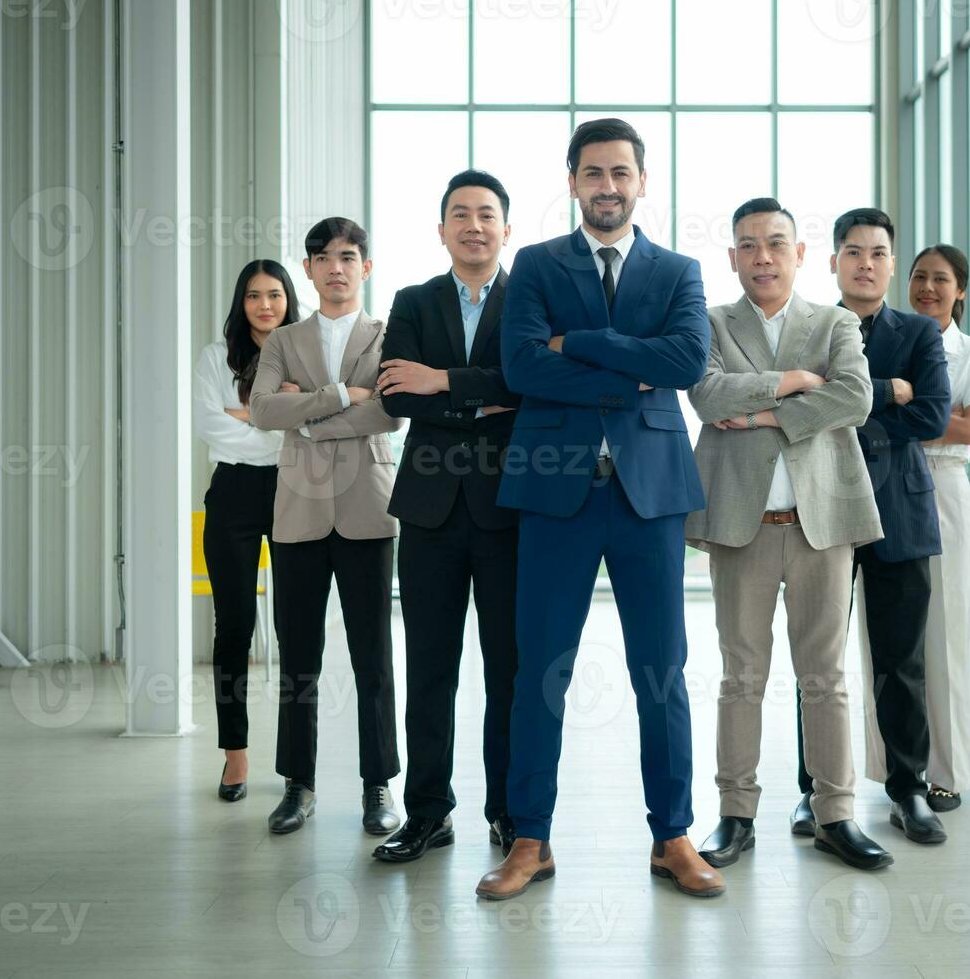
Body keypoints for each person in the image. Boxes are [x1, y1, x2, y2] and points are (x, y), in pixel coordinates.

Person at [474, 118, 722, 901]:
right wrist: (625, 372)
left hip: (649, 494)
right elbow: (519, 367)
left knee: (663, 673)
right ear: (573, 182)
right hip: (556, 491)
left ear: (642, 181)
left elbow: (685, 361)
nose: (607, 186)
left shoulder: (678, 270)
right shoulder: (537, 265)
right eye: (592, 173)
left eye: (621, 172)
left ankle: (673, 835)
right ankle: (530, 840)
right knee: (539, 670)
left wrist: (576, 344)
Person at [686, 198, 891, 871]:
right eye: (749, 245)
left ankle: (836, 814)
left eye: (776, 243)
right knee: (740, 676)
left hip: (822, 525)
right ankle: (736, 814)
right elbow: (709, 396)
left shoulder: (833, 322)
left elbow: (855, 399)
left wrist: (764, 416)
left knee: (825, 677)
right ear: (734, 257)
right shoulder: (712, 322)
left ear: (800, 253)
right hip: (742, 527)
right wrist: (795, 384)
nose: (763, 256)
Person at [371, 170, 523, 864]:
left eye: (486, 214)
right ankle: (428, 812)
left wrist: (441, 382)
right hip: (429, 510)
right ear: (441, 230)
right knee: (431, 667)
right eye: (459, 214)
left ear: (505, 229)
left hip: (509, 510)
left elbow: (530, 385)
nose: (473, 225)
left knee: (509, 671)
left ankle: (509, 812)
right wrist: (475, 400)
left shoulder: (528, 298)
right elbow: (396, 394)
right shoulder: (413, 300)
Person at [791, 207, 951, 846]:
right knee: (818, 660)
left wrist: (848, 401)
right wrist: (889, 391)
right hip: (824, 508)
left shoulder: (918, 331)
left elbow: (935, 414)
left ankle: (909, 788)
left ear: (891, 262)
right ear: (833, 262)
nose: (865, 263)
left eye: (878, 253)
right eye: (852, 252)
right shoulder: (809, 330)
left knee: (901, 660)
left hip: (900, 513)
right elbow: (800, 405)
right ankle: (815, 791)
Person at [248, 217, 403, 836]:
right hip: (300, 512)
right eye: (322, 257)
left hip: (368, 507)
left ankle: (379, 785)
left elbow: (392, 411)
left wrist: (308, 413)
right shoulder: (282, 341)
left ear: (365, 267)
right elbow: (262, 409)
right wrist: (344, 394)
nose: (335, 267)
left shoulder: (389, 333)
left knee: (375, 656)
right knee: (298, 656)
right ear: (308, 269)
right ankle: (297, 784)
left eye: (347, 256)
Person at [860, 244, 970, 813]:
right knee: (886, 643)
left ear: (961, 290)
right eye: (918, 277)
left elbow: (964, 429)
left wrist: (909, 413)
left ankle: (948, 770)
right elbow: (924, 415)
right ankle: (889, 764)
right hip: (884, 488)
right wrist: (913, 410)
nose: (928, 288)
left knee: (944, 638)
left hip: (945, 493)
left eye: (941, 279)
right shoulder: (888, 337)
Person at [193, 259, 299, 802]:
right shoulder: (217, 357)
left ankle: (294, 766)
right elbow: (209, 425)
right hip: (232, 494)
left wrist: (247, 415)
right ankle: (235, 756)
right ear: (242, 301)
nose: (265, 305)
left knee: (293, 630)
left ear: (288, 299)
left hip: (293, 490)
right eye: (254, 295)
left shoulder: (303, 351)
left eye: (275, 295)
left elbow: (310, 425)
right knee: (233, 626)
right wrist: (275, 417)